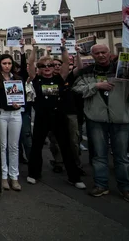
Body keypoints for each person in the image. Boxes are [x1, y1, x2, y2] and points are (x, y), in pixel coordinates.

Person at [73, 44, 129, 203]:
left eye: (104, 52)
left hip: (120, 118)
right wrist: (96, 85)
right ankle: (101, 184)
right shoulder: (86, 72)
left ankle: (125, 187)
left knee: (122, 157)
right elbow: (77, 89)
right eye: (97, 53)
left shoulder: (125, 71)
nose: (101, 55)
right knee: (99, 155)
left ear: (110, 53)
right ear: (92, 55)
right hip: (97, 118)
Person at [26, 40, 85, 190]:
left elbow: (66, 62)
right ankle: (34, 173)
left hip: (58, 116)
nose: (47, 68)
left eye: (50, 66)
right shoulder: (36, 79)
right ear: (39, 69)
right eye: (43, 66)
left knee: (66, 147)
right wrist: (33, 48)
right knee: (37, 146)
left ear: (54, 68)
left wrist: (63, 47)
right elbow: (30, 63)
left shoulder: (60, 78)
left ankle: (74, 177)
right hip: (41, 117)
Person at [0, 54, 24, 191]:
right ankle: (3, 176)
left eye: (9, 63)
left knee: (14, 147)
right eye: (4, 63)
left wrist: (18, 104)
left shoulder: (18, 79)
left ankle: (14, 176)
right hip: (2, 114)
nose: (7, 66)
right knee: (2, 146)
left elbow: (22, 96)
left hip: (15, 114)